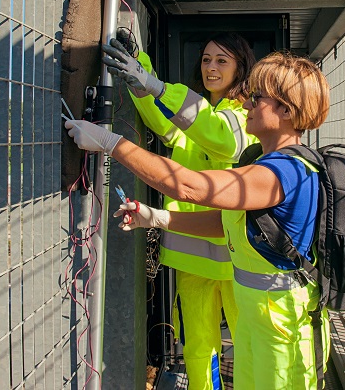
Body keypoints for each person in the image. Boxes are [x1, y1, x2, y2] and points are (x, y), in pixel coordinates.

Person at [65, 52, 331, 389]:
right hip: (261, 318)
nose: (247, 105)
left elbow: (191, 186)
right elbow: (225, 223)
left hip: (283, 327)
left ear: (287, 111)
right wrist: (157, 217)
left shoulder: (284, 172)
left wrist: (110, 142)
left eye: (257, 98)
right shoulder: (268, 163)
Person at [101, 32, 259, 390]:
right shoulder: (199, 115)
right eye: (206, 59)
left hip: (237, 263)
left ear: (240, 67)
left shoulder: (244, 115)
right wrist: (140, 69)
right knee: (199, 350)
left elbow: (220, 137)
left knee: (250, 347)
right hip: (194, 259)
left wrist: (155, 85)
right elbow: (162, 119)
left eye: (221, 60)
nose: (211, 67)